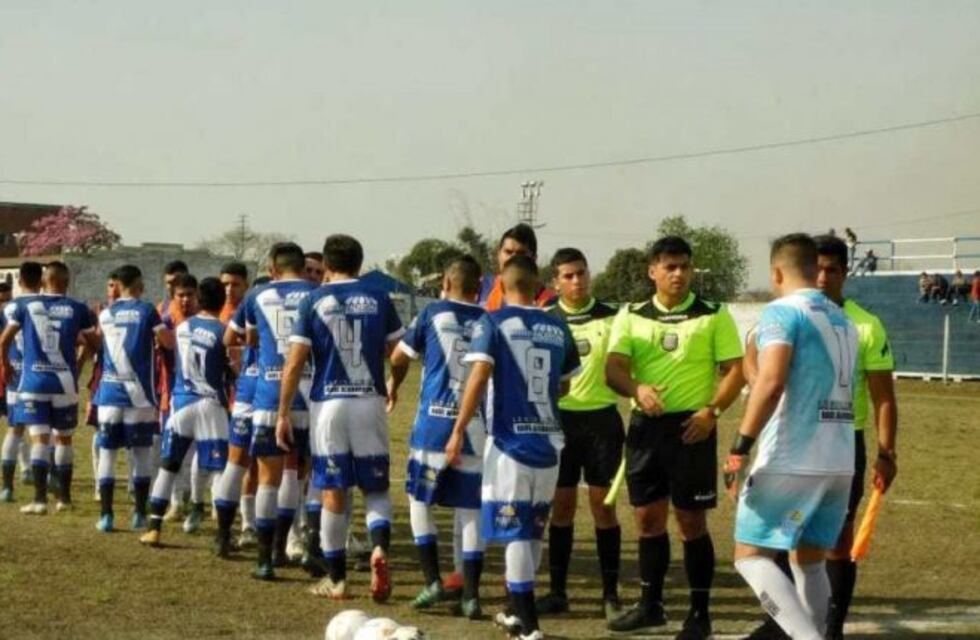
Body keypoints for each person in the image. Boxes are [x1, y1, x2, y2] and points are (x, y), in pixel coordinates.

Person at [605, 236, 745, 638]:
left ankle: (700, 615)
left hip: (692, 428)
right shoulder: (631, 315)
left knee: (690, 522)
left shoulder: (713, 314)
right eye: (670, 267)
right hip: (646, 429)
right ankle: (651, 605)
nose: (678, 274)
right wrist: (637, 389)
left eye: (684, 266)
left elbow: (736, 370)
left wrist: (711, 412)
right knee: (647, 520)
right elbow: (613, 369)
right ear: (653, 271)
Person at [727, 234, 858, 640]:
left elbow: (771, 382)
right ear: (814, 269)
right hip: (839, 460)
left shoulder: (782, 312)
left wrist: (739, 448)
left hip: (793, 456)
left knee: (749, 557)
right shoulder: (843, 319)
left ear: (777, 273)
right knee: (809, 560)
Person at [445, 255, 580, 640]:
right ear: (539, 286)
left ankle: (529, 626)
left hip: (509, 445)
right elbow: (566, 383)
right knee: (534, 529)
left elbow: (478, 376)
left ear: (501, 286)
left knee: (517, 532)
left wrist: (458, 429)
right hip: (549, 443)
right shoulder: (558, 326)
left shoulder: (493, 322)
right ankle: (515, 612)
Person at [278, 234, 404, 601]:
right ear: (360, 264)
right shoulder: (380, 298)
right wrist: (394, 384)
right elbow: (399, 353)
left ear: (327, 266)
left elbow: (295, 362)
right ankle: (378, 547)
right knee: (376, 488)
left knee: (333, 490)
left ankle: (337, 579)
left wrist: (283, 412)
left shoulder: (313, 300)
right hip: (369, 401)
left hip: (329, 405)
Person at [387, 255, 488, 616]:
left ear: (445, 283)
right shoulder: (489, 320)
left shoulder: (432, 313)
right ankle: (471, 594)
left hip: (433, 423)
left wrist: (394, 385)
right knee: (470, 508)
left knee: (419, 500)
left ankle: (432, 580)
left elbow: (399, 357)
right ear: (480, 287)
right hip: (476, 426)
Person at [213, 242, 315, 579]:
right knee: (294, 472)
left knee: (260, 474)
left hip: (265, 393)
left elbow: (231, 339)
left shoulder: (257, 295)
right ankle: (282, 548)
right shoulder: (317, 295)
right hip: (308, 396)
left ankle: (257, 555)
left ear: (272, 268)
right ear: (303, 267)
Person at [537, 248, 624, 621]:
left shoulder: (614, 317)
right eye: (568, 276)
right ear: (555, 282)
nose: (577, 281)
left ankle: (611, 595)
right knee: (562, 508)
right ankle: (558, 592)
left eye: (581, 273)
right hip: (560, 423)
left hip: (603, 422)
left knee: (604, 508)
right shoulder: (546, 321)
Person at [0, 261, 98, 514]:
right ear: (67, 282)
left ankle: (40, 500)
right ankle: (64, 499)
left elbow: (4, 340)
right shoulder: (78, 308)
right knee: (64, 439)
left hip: (33, 382)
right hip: (64, 382)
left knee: (39, 438)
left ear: (44, 281)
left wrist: (5, 366)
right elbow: (93, 343)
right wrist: (78, 364)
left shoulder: (26, 306)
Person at [140, 277, 231, 546]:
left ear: (199, 300)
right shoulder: (223, 332)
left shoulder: (181, 328)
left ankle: (154, 528)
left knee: (168, 467)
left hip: (181, 404)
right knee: (219, 471)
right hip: (211, 406)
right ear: (223, 301)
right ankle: (222, 536)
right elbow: (230, 368)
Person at [93, 265, 175, 532]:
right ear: (140, 284)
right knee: (141, 454)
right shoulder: (147, 310)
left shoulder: (105, 313)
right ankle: (139, 513)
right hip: (139, 395)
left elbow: (97, 343)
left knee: (107, 453)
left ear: (117, 285)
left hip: (109, 393)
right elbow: (167, 342)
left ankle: (106, 515)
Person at [0, 263, 43, 502]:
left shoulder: (10, 309)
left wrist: (5, 365)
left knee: (15, 429)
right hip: (39, 374)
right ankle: (42, 477)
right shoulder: (44, 306)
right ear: (41, 281)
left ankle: (8, 486)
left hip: (14, 374)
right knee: (43, 430)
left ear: (19, 281)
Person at [478, 224, 553, 311]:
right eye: (508, 252)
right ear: (498, 254)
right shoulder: (480, 287)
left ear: (534, 258)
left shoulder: (549, 301)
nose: (513, 258)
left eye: (521, 253)